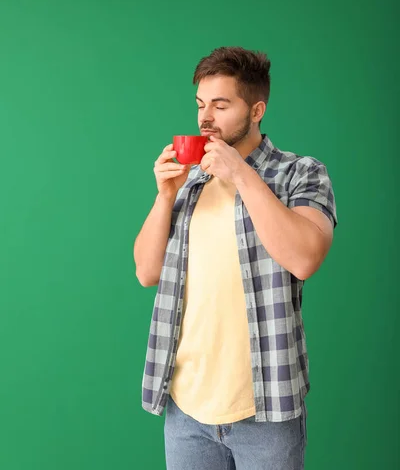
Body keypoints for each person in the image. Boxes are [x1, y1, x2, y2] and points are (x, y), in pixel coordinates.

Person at [133, 46, 338, 470]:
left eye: (221, 105)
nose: (205, 118)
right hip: (186, 408)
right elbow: (146, 271)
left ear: (257, 109)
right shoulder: (191, 183)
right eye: (200, 105)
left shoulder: (299, 172)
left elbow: (304, 259)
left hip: (266, 410)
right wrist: (165, 196)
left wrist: (241, 173)